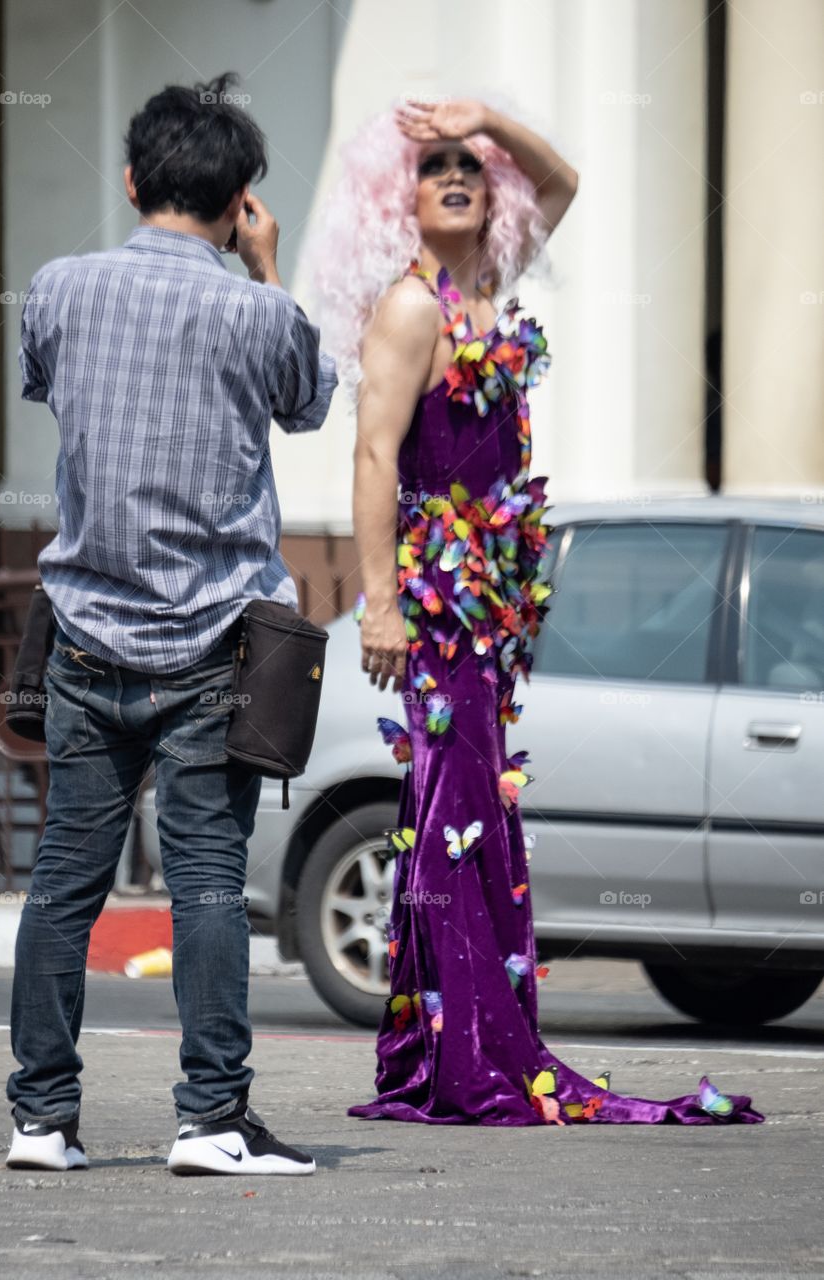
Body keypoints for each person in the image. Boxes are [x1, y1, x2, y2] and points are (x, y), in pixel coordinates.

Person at [309, 95, 765, 1127]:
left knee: (470, 818)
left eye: (472, 164)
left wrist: (490, 118)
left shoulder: (486, 284)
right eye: (436, 165)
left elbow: (560, 183)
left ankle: (450, 1041)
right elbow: (374, 454)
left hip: (492, 611)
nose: (459, 174)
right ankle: (457, 1054)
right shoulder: (412, 308)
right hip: (435, 603)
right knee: (451, 814)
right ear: (404, 196)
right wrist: (379, 605)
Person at [5, 72, 337, 1175]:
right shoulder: (260, 312)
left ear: (133, 176)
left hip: (86, 631)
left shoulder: (56, 287)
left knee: (64, 880)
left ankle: (41, 1120)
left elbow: (46, 383)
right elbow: (306, 400)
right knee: (205, 883)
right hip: (213, 650)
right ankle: (209, 1118)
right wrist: (268, 268)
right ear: (242, 196)